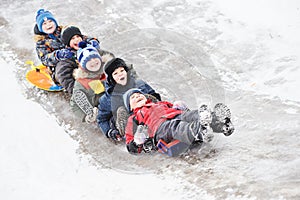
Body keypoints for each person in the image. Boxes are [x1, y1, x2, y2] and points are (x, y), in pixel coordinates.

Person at [123, 88, 235, 154]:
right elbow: (130, 144)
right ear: (130, 107)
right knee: (175, 127)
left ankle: (220, 123)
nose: (137, 96)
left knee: (192, 115)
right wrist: (136, 142)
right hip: (159, 129)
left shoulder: (159, 103)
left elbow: (176, 109)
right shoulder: (133, 117)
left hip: (176, 115)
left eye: (139, 94)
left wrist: (180, 107)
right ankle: (199, 131)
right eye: (132, 98)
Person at [97, 58, 161, 141]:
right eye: (115, 73)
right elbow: (102, 119)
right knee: (122, 111)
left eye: (122, 71)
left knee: (147, 98)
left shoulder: (139, 84)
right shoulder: (108, 98)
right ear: (111, 78)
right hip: (127, 123)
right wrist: (109, 131)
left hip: (146, 114)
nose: (120, 74)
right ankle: (136, 136)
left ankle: (157, 123)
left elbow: (154, 95)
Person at [70, 42, 113, 123]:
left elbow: (128, 70)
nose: (93, 61)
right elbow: (74, 104)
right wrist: (85, 117)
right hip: (102, 106)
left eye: (94, 58)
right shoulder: (82, 82)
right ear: (83, 65)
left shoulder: (110, 67)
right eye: (88, 60)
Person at [34, 9, 73, 83]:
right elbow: (44, 59)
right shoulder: (41, 43)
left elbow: (78, 37)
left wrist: (91, 41)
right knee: (64, 74)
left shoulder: (64, 31)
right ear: (40, 28)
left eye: (50, 21)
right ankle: (75, 90)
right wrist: (57, 55)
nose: (48, 25)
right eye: (44, 23)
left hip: (73, 58)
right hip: (57, 66)